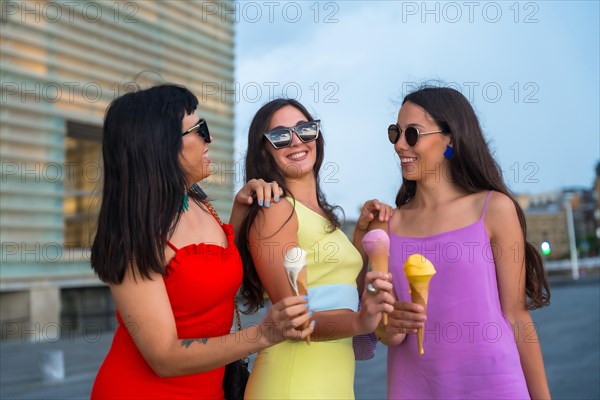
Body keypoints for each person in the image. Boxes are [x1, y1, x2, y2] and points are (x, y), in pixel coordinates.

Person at [90, 84, 314, 400]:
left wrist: (239, 211)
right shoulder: (134, 234)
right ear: (162, 146)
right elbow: (164, 357)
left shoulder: (197, 201)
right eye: (199, 130)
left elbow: (213, 276)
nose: (210, 139)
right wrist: (264, 333)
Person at [370, 86, 551, 399]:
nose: (399, 145)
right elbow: (385, 332)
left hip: (496, 385)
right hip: (414, 389)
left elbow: (517, 316)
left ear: (450, 138)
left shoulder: (494, 209)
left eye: (412, 134)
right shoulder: (384, 226)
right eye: (394, 133)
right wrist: (388, 324)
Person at [236, 98, 395, 399]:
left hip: (333, 383)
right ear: (264, 150)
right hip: (292, 382)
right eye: (281, 135)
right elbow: (294, 321)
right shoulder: (275, 210)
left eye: (305, 129)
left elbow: (346, 294)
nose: (297, 140)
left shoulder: (322, 215)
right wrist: (363, 321)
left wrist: (361, 233)